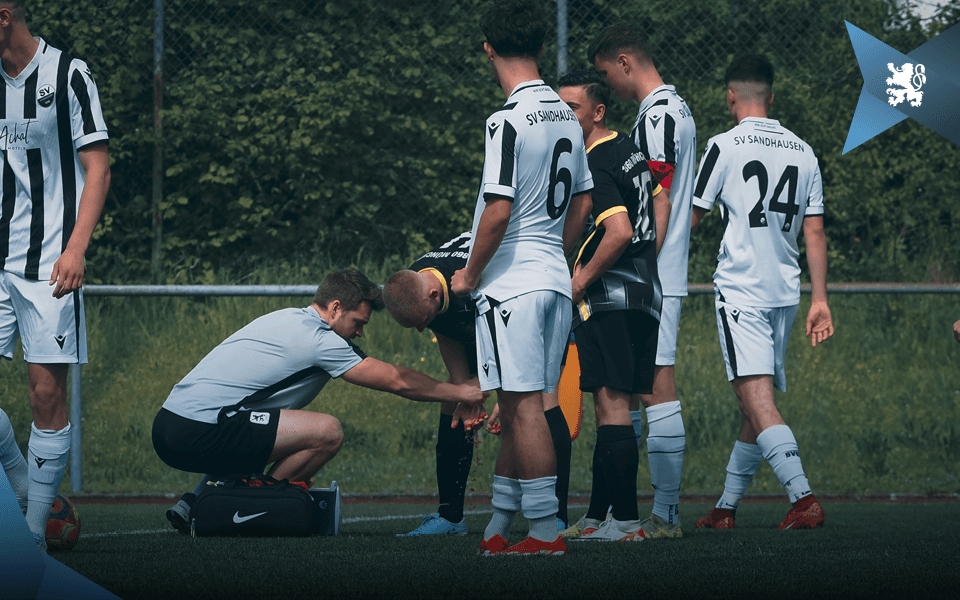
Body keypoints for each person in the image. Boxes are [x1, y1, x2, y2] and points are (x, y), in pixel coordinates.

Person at [155, 268, 487, 533]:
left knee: (259, 427)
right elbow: (396, 380)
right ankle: (249, 506)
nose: (360, 333)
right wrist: (462, 391)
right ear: (335, 308)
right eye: (358, 323)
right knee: (327, 432)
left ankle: (194, 502)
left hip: (173, 422)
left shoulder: (287, 316)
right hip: (199, 428)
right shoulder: (320, 340)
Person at [449, 0, 592, 556]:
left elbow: (498, 211)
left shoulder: (505, 120)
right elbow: (581, 201)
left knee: (525, 406)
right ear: (537, 47)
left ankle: (546, 531)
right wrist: (555, 253)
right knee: (517, 402)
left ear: (489, 49)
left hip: (515, 285)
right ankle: (500, 524)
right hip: (552, 280)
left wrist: (468, 273)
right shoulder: (563, 112)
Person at [690, 54, 833, 530]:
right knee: (755, 404)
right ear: (771, 98)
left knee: (757, 401)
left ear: (731, 96)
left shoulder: (723, 146)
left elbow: (691, 217)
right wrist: (820, 299)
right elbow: (815, 233)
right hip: (785, 294)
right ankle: (726, 509)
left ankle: (803, 497)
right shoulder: (804, 150)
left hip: (741, 292)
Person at [0, 0, 111, 552]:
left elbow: (99, 166)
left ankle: (32, 536)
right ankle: (21, 482)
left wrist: (76, 248)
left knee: (46, 397)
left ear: (3, 15)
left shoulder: (68, 73)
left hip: (49, 265)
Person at [383, 232, 574, 536]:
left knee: (540, 400)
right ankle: (450, 517)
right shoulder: (419, 281)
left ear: (434, 295)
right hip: (483, 321)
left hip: (529, 308)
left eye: (421, 319)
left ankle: (558, 517)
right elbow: (445, 333)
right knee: (453, 402)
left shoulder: (480, 278)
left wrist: (505, 393)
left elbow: (520, 337)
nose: (421, 328)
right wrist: (464, 393)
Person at [588, 23, 696, 539]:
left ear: (626, 62)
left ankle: (666, 515)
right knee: (631, 390)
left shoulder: (659, 116)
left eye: (606, 72)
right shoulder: (671, 110)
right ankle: (622, 511)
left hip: (651, 275)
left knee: (656, 389)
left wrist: (642, 265)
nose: (606, 82)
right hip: (655, 273)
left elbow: (661, 198)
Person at [556, 70, 662, 542]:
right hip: (643, 292)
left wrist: (577, 283)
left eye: (572, 109)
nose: (564, 116)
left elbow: (617, 231)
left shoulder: (594, 160)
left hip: (609, 297)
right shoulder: (631, 149)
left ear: (597, 112)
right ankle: (599, 515)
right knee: (608, 409)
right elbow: (661, 198)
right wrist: (647, 256)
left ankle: (625, 522)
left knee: (612, 406)